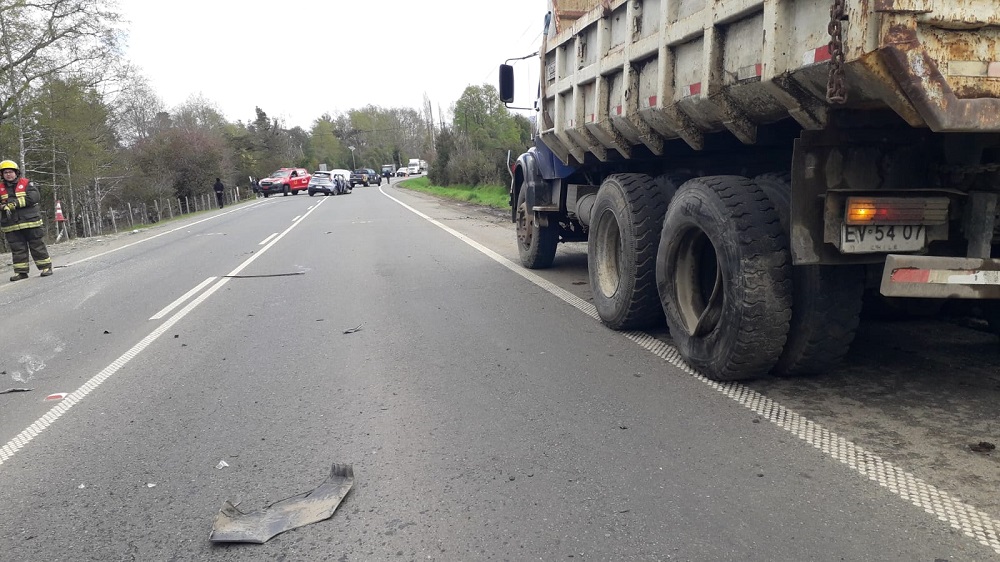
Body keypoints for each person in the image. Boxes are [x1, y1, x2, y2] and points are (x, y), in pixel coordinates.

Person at [0, 160, 52, 281]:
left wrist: (15, 204)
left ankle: (46, 267)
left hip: (30, 222)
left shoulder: (26, 183)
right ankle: (21, 272)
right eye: (5, 172)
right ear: (2, 175)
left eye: (10, 172)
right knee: (17, 249)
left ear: (16, 172)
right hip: (11, 224)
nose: (8, 174)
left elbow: (34, 197)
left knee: (37, 245)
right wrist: (3, 207)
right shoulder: (0, 188)